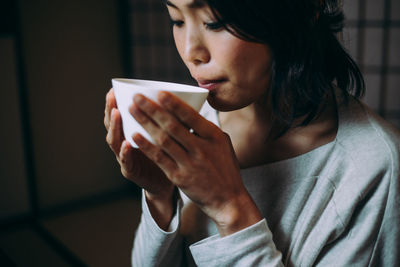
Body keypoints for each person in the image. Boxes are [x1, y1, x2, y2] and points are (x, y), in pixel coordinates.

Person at [104, 0, 400, 266]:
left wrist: (230, 208)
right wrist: (160, 195)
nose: (191, 51)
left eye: (214, 21)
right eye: (177, 20)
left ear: (295, 15)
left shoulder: (374, 167)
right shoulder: (198, 119)